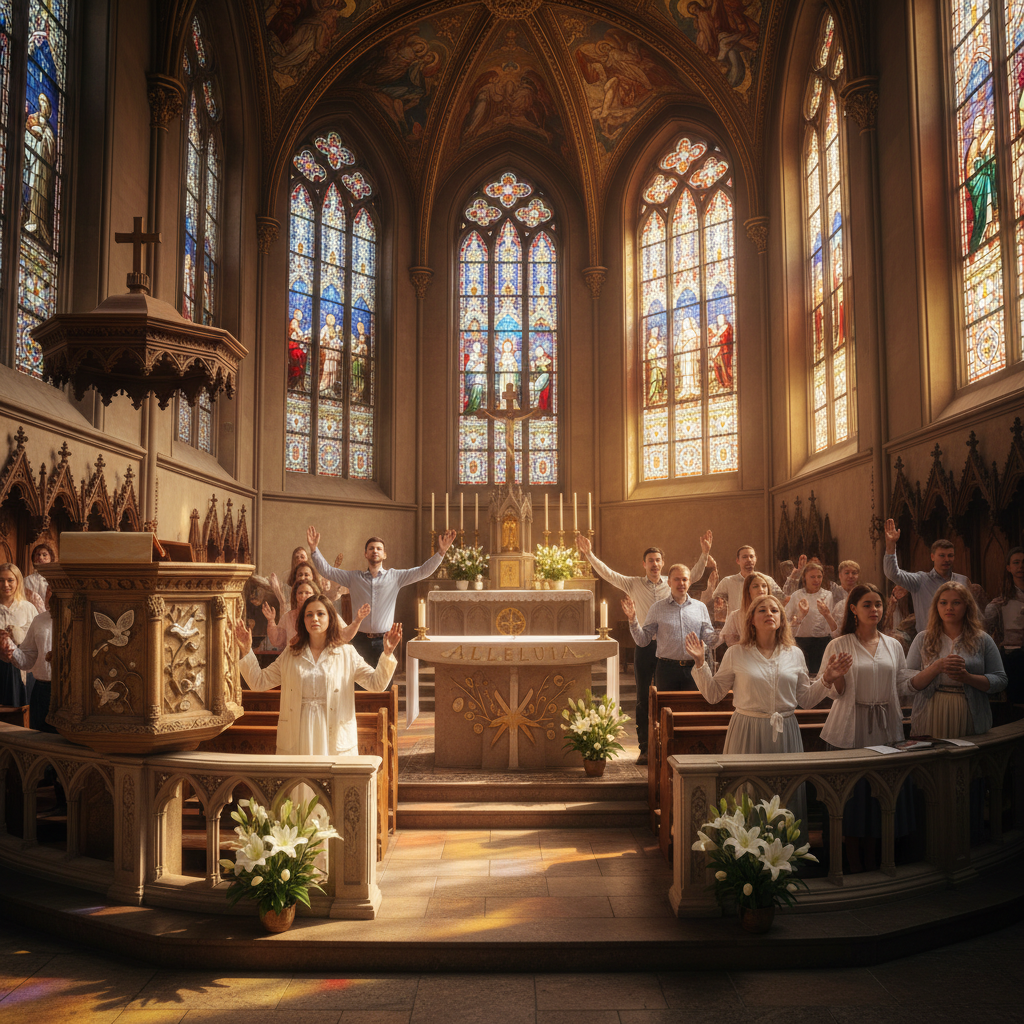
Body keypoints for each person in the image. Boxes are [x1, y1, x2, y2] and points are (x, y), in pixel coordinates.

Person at [685, 594, 846, 824]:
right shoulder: (736, 653)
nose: (769, 614)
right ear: (751, 619)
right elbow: (713, 695)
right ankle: (743, 847)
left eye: (774, 610)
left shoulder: (794, 654)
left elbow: (806, 700)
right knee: (746, 795)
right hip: (747, 731)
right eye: (762, 610)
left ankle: (785, 846)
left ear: (781, 620)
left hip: (785, 732)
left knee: (785, 795)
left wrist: (827, 679)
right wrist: (701, 663)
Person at [576, 532, 710, 763]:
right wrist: (589, 555)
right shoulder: (633, 583)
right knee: (643, 698)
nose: (654, 564)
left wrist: (705, 553)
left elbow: (695, 574)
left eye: (658, 560)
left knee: (671, 698)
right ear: (644, 564)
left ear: (663, 563)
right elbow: (608, 574)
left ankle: (674, 744)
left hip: (669, 648)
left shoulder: (672, 581)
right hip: (645, 645)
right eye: (650, 561)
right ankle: (646, 748)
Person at [819, 584, 917, 872]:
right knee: (851, 800)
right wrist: (836, 675)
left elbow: (901, 684)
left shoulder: (893, 645)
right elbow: (835, 691)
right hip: (850, 726)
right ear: (853, 609)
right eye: (867, 604)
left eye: (878, 604)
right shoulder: (839, 644)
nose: (874, 609)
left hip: (885, 727)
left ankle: (877, 860)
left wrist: (929, 674)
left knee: (879, 797)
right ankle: (852, 864)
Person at [234, 596, 402, 758]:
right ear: (303, 621)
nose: (314, 618)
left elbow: (376, 684)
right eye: (309, 614)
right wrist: (246, 651)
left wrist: (387, 654)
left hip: (334, 732)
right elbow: (259, 682)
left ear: (330, 618)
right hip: (298, 732)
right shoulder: (290, 654)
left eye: (320, 613)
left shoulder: (347, 653)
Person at [309, 525, 456, 667]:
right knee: (359, 683)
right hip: (359, 640)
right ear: (365, 554)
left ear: (384, 554)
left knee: (384, 681)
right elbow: (328, 571)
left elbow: (422, 571)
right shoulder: (353, 578)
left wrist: (441, 552)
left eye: (379, 548)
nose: (375, 551)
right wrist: (314, 550)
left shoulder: (395, 577)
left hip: (385, 641)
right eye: (371, 548)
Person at [906, 581, 1007, 738]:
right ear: (936, 606)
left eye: (956, 603)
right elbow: (906, 684)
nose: (949, 608)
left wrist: (967, 677)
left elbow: (1000, 680)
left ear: (967, 606)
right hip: (931, 710)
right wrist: (935, 668)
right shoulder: (922, 639)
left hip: (969, 710)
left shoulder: (982, 639)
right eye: (943, 603)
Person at [624, 562, 716, 693]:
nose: (681, 583)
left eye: (684, 579)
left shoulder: (700, 607)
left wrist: (727, 632)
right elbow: (643, 641)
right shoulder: (657, 608)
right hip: (666, 670)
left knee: (693, 706)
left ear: (689, 582)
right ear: (669, 582)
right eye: (676, 579)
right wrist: (633, 619)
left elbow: (710, 640)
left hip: (694, 668)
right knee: (665, 706)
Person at [883, 519, 970, 628]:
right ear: (932, 557)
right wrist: (891, 545)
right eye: (942, 555)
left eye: (950, 555)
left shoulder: (963, 580)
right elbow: (893, 573)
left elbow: (971, 613)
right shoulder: (920, 580)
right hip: (928, 636)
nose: (947, 559)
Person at [1, 587, 54, 731]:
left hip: (72, 693)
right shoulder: (39, 620)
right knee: (39, 739)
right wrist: (9, 647)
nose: (50, 594)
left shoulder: (81, 620)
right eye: (49, 589)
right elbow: (27, 660)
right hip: (42, 690)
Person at [984, 547, 1024, 702]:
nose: (1021, 566)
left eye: (1023, 562)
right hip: (1013, 658)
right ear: (1009, 567)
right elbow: (985, 634)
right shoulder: (999, 604)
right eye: (1016, 562)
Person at [788, 559, 839, 673]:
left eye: (819, 576)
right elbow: (786, 618)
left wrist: (826, 614)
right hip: (801, 643)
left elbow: (833, 624)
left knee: (820, 675)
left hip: (823, 643)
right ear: (805, 578)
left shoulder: (828, 595)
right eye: (812, 577)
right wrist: (797, 618)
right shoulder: (797, 595)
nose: (816, 580)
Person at [0, 564, 38, 707]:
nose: (6, 585)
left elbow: (37, 641)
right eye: (1, 580)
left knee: (21, 711)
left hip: (23, 669)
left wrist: (17, 635)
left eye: (10, 580)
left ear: (18, 581)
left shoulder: (28, 608)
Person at [712, 544, 783, 616]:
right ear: (738, 560)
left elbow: (782, 600)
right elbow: (715, 603)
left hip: (761, 620)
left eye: (751, 556)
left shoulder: (767, 580)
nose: (749, 559)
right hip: (736, 621)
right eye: (744, 557)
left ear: (755, 559)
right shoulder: (727, 582)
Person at [720, 570, 772, 648]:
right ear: (748, 591)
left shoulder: (775, 614)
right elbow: (731, 643)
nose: (761, 590)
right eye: (755, 586)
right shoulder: (735, 616)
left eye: (764, 586)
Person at [24, 539, 57, 613]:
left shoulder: (56, 579)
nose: (41, 558)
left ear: (51, 557)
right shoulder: (27, 580)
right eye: (38, 555)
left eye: (44, 555)